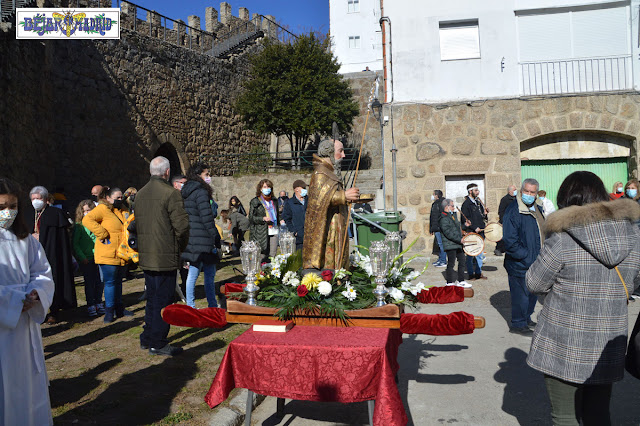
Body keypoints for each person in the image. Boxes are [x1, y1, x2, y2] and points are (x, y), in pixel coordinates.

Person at [526, 171, 640, 425]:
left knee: (564, 416)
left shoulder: (563, 239)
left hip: (563, 339)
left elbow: (534, 282)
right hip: (608, 340)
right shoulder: (633, 237)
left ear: (568, 199)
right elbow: (634, 285)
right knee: (598, 414)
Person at [0, 178, 55, 426]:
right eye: (1, 206)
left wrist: (35, 293)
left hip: (25, 325)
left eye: (12, 206)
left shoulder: (27, 240)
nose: (7, 213)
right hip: (3, 326)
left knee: (28, 384)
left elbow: (42, 272)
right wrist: (11, 301)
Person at [135, 156, 189, 356]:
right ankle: (157, 342)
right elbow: (182, 227)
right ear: (167, 173)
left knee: (152, 299)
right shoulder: (170, 194)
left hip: (147, 255)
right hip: (164, 255)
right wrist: (179, 248)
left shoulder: (139, 194)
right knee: (164, 300)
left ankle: (147, 337)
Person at [302, 139, 360, 270]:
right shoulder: (320, 173)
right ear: (329, 152)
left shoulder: (330, 172)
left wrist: (348, 197)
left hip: (337, 224)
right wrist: (343, 196)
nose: (344, 155)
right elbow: (318, 201)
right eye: (340, 151)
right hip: (328, 228)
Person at [26, 185, 76, 324]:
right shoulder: (29, 215)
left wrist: (41, 237)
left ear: (45, 199)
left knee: (53, 280)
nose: (36, 201)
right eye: (33, 198)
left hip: (52, 254)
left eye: (39, 198)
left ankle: (54, 310)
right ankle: (38, 311)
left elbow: (57, 239)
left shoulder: (55, 214)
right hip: (33, 256)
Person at [83, 186, 133, 323]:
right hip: (107, 252)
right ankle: (109, 312)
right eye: (116, 197)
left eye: (120, 197)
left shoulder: (123, 209)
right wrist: (102, 233)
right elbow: (87, 220)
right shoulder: (102, 209)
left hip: (122, 252)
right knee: (110, 282)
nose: (119, 199)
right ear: (108, 198)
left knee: (118, 282)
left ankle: (119, 308)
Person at [502, 179, 546, 336]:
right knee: (520, 295)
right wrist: (525, 256)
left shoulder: (538, 208)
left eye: (532, 192)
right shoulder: (514, 210)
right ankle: (518, 324)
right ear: (521, 191)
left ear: (536, 193)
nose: (529, 194)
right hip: (520, 263)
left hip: (537, 261)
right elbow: (509, 240)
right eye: (526, 191)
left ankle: (526, 318)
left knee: (532, 294)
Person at [181, 162, 221, 309]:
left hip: (192, 238)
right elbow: (206, 217)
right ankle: (211, 304)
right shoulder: (201, 192)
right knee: (207, 274)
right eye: (206, 174)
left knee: (193, 273)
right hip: (204, 239)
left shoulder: (185, 192)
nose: (209, 177)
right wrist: (214, 238)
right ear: (199, 176)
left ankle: (192, 304)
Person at [72, 200, 104, 317]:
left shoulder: (98, 224)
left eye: (89, 210)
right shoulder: (79, 226)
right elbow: (75, 244)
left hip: (99, 256)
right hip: (87, 258)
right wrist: (82, 257)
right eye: (84, 211)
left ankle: (99, 302)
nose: (86, 212)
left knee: (100, 281)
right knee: (90, 283)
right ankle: (91, 304)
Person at [438, 199, 472, 288]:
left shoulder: (453, 216)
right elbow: (448, 232)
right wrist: (459, 240)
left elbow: (457, 229)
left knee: (462, 261)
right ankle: (449, 282)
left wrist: (465, 225)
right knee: (451, 263)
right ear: (447, 207)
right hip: (450, 244)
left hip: (457, 243)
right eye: (452, 206)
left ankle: (461, 280)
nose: (454, 207)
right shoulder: (443, 218)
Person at [249, 179, 281, 262]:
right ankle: (261, 272)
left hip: (273, 229)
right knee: (262, 255)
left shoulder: (274, 200)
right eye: (265, 187)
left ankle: (271, 272)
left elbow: (277, 213)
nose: (267, 188)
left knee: (272, 254)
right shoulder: (255, 201)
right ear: (260, 189)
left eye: (268, 186)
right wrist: (262, 218)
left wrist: (280, 220)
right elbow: (251, 218)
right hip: (261, 231)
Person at [461, 183, 488, 280]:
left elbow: (481, 217)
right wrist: (474, 228)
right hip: (472, 233)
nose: (478, 192)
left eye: (478, 190)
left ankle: (478, 273)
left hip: (480, 231)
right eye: (476, 190)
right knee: (470, 254)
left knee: (480, 254)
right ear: (470, 191)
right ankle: (470, 274)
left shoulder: (478, 202)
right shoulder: (466, 204)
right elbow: (465, 220)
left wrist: (485, 214)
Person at [283, 179, 308, 252]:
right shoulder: (290, 203)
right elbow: (287, 219)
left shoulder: (309, 201)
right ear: (296, 189)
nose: (305, 190)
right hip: (299, 237)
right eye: (303, 188)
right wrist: (294, 231)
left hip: (311, 236)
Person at [495, 185, 517, 256]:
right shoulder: (505, 199)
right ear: (510, 191)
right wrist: (503, 220)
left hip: (515, 220)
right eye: (514, 190)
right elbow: (501, 211)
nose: (516, 191)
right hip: (506, 220)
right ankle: (498, 249)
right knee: (502, 236)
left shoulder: (517, 199)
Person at [429, 190, 447, 267]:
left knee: (441, 244)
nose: (432, 196)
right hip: (436, 227)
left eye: (433, 195)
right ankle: (440, 259)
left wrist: (439, 226)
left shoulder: (441, 203)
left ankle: (443, 261)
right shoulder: (436, 204)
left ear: (437, 195)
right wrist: (431, 228)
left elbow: (440, 216)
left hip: (440, 228)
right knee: (439, 244)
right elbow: (432, 217)